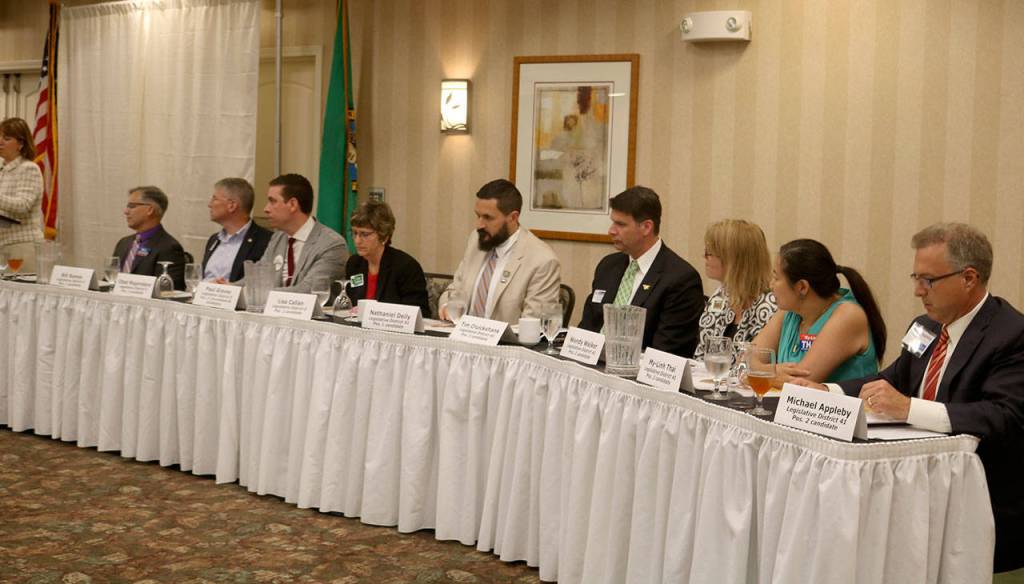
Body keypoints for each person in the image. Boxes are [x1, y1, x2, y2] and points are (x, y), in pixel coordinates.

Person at [797, 223, 1024, 574]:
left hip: (978, 500)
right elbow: (891, 379)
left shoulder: (1011, 334)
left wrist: (909, 408)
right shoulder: (925, 326)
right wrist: (830, 391)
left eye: (929, 280)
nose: (919, 291)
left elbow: (1003, 416)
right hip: (914, 487)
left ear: (969, 278)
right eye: (915, 277)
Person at [578, 186, 704, 357]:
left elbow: (667, 352)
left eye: (620, 224)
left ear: (646, 227)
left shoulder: (681, 279)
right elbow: (587, 327)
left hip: (637, 376)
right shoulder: (608, 266)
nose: (611, 231)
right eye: (613, 222)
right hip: (591, 368)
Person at [752, 239, 885, 383]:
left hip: (840, 405)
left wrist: (758, 373)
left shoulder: (848, 316)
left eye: (776, 278)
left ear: (802, 287)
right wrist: (771, 373)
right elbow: (744, 361)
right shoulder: (789, 312)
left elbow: (799, 384)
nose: (771, 285)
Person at [439, 179, 561, 324]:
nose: (479, 225)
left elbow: (534, 325)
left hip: (505, 345)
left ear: (513, 217)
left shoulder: (542, 260)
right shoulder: (477, 239)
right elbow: (454, 290)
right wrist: (447, 306)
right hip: (462, 339)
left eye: (488, 218)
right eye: (478, 215)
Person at [694, 219, 777, 359]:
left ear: (733, 260)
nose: (704, 257)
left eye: (709, 253)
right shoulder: (720, 296)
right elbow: (701, 357)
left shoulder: (771, 306)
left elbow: (758, 366)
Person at [253, 173, 347, 292]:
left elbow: (309, 290)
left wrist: (263, 295)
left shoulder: (331, 244)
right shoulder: (278, 237)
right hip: (273, 308)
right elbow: (258, 278)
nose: (266, 209)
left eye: (273, 201)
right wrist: (228, 288)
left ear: (293, 204)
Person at [344, 200, 430, 317]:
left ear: (383, 236)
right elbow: (350, 305)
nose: (357, 240)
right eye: (354, 233)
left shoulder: (406, 267)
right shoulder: (354, 264)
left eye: (365, 234)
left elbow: (420, 314)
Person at [112, 186, 187, 289]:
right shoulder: (123, 243)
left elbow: (168, 292)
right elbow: (109, 280)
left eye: (131, 206)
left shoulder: (169, 248)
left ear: (150, 210)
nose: (126, 211)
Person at [201, 178, 272, 282]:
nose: (209, 204)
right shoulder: (214, 239)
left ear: (232, 205)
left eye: (214, 199)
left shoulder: (265, 241)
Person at [0, 117, 44, 271]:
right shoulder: (2, 170)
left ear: (21, 143)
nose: (0, 141)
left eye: (6, 138)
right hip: (4, 247)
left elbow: (22, 206)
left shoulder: (28, 168)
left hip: (23, 247)